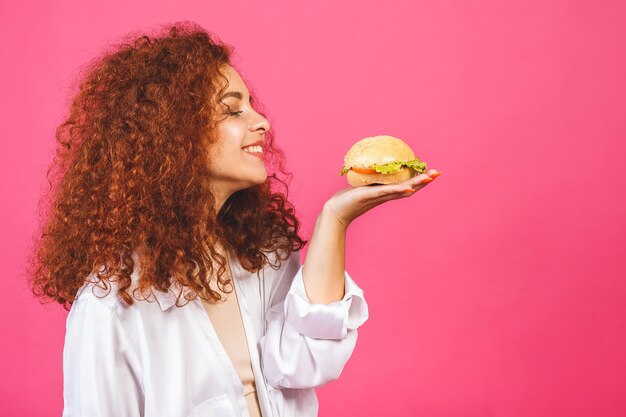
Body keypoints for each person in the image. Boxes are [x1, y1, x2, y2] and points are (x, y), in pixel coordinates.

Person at [28, 22, 440, 417]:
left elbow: (304, 362)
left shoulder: (259, 254)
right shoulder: (113, 304)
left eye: (252, 106)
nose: (261, 122)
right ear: (174, 135)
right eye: (232, 111)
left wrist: (335, 217)